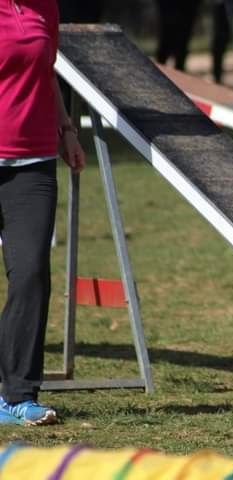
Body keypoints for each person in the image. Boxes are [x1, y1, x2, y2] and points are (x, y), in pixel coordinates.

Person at [0, 0, 86, 426]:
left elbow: (43, 72)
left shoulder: (44, 8)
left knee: (31, 272)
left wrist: (66, 129)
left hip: (32, 162)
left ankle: (17, 396)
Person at [154, 0, 201, 72]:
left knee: (182, 44)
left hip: (187, 9)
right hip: (169, 8)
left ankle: (179, 72)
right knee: (166, 41)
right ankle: (157, 72)